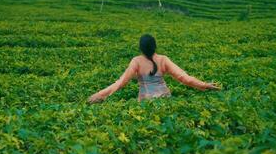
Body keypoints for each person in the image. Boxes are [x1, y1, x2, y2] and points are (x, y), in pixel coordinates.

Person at [88, 34, 220, 103]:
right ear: (155, 46)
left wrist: (100, 94)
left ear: (140, 48)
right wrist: (204, 85)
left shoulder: (136, 61)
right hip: (165, 100)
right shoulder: (163, 59)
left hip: (146, 102)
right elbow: (183, 77)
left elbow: (121, 82)